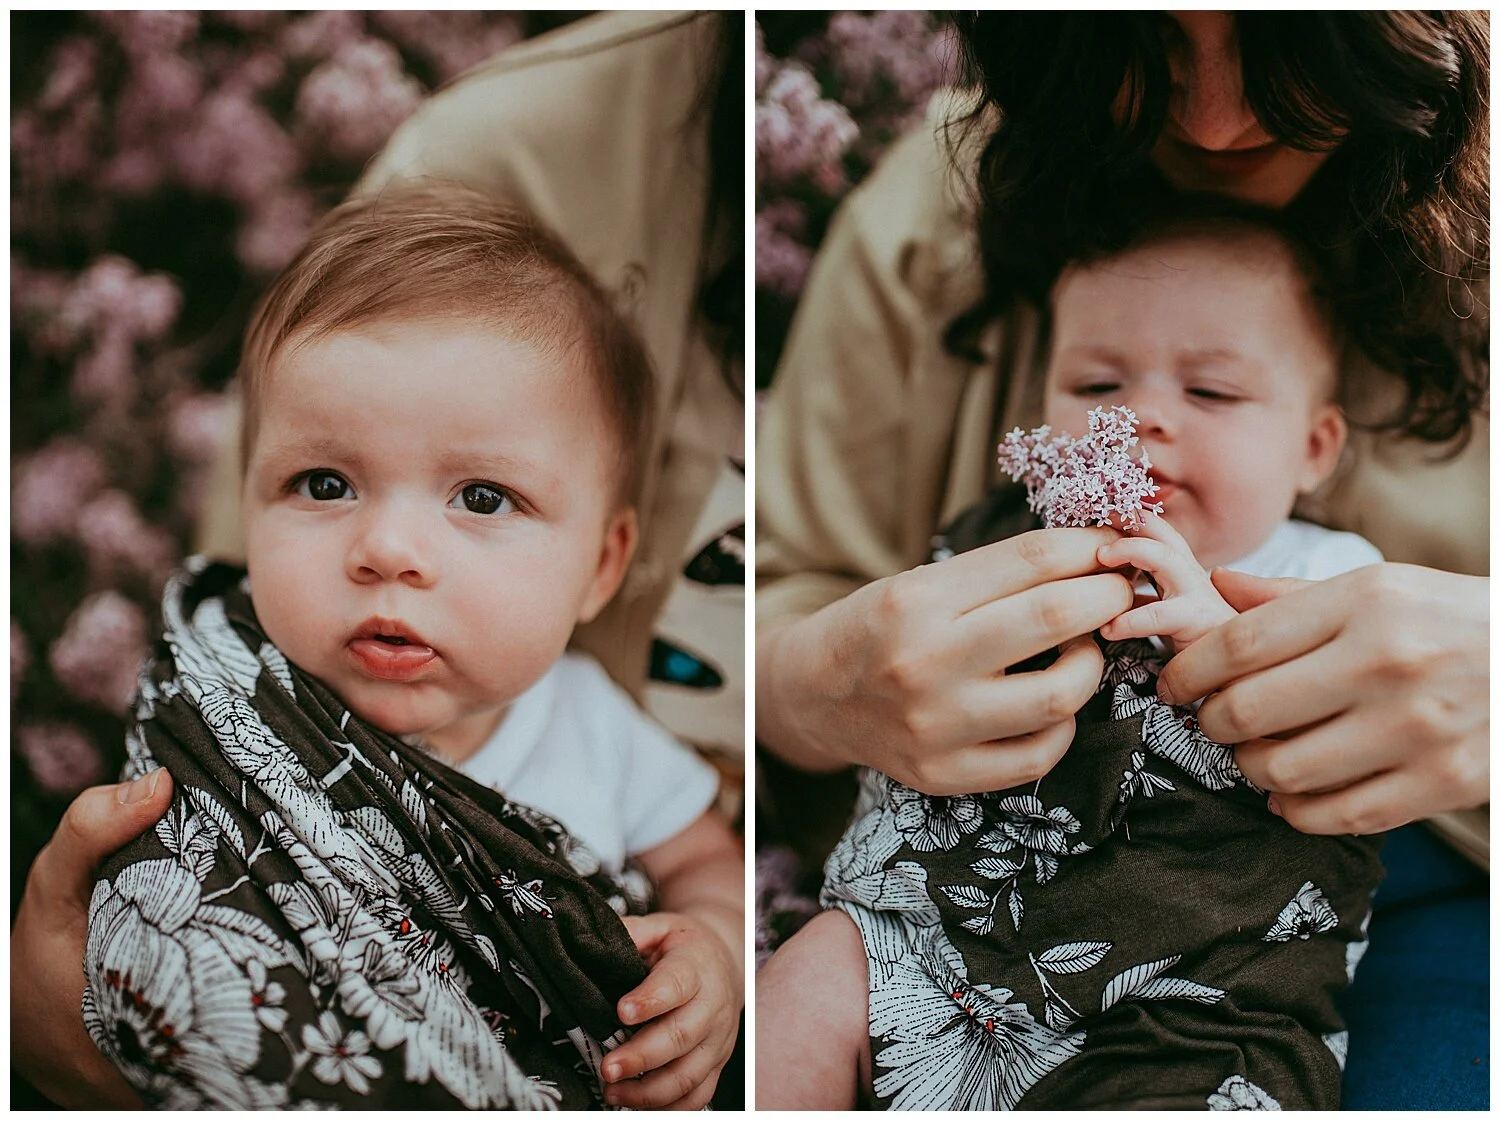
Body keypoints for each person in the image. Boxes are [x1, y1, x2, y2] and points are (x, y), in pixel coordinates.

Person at [12, 11, 746, 1110]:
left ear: (603, 564)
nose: (389, 549)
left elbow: (704, 864)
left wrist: (717, 951)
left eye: (483, 497)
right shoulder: (228, 718)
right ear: (245, 495)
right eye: (323, 484)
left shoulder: (592, 724)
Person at [756, 10, 1486, 1110]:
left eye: (1286, 41)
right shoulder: (935, 222)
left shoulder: (1318, 557)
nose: (1215, 115)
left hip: (1267, 930)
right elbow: (787, 582)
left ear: (1319, 441)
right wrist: (813, 679)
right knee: (799, 993)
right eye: (1144, 39)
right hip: (959, 891)